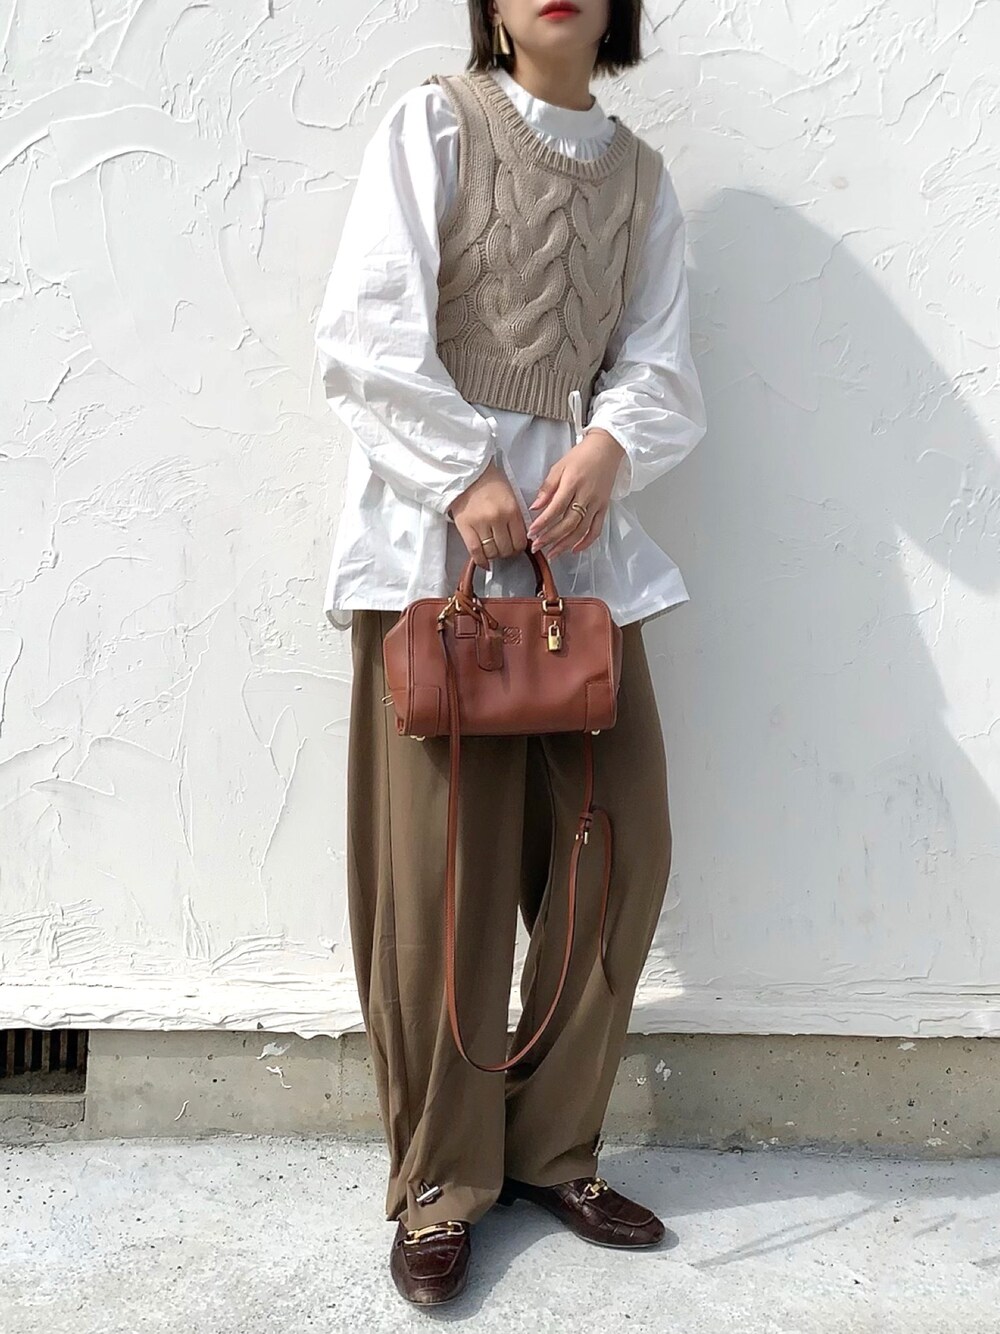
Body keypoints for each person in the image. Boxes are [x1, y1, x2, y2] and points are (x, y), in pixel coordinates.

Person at [313, 0, 706, 1307]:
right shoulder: (437, 124)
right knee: (446, 881)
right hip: (440, 555)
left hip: (572, 562)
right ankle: (441, 1177)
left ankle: (552, 1144)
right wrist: (458, 470)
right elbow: (366, 327)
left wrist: (611, 443)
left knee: (621, 848)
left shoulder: (641, 180)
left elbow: (659, 361)